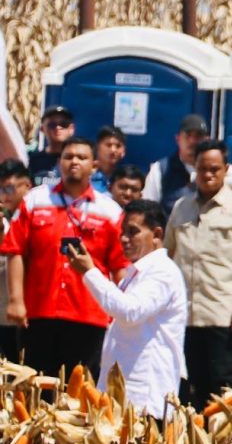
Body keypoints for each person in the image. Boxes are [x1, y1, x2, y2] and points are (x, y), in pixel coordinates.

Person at [1, 134, 127, 382]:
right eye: (68, 156)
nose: (74, 162)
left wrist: (120, 311)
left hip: (89, 315)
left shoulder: (110, 210)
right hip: (39, 312)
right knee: (34, 385)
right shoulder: (36, 199)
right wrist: (16, 300)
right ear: (59, 162)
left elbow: (120, 266)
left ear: (94, 165)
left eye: (82, 157)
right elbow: (15, 250)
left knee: (78, 392)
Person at [163, 141, 232, 409]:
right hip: (184, 313)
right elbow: (168, 255)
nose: (208, 175)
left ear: (226, 170)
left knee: (222, 385)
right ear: (194, 169)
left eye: (215, 169)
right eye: (203, 169)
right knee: (191, 383)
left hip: (222, 312)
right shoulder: (181, 207)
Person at [64, 200, 186, 417]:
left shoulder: (163, 272)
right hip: (126, 397)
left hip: (145, 399)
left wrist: (90, 272)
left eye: (133, 232)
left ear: (156, 234)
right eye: (122, 232)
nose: (123, 239)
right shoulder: (137, 272)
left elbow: (129, 312)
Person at [0, 159, 27, 364]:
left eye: (8, 188)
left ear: (26, 186)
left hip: (29, 315)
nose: (4, 195)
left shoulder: (37, 217)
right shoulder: (5, 219)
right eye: (1, 189)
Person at [25, 107, 75, 184]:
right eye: (52, 125)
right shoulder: (32, 160)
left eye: (63, 124)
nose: (58, 128)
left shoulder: (77, 160)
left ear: (71, 129)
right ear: (42, 129)